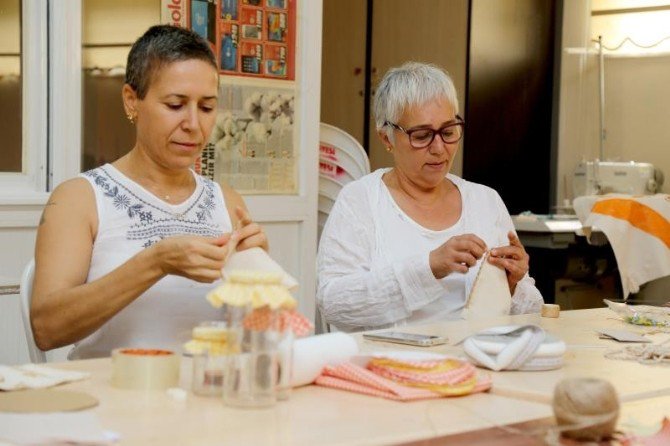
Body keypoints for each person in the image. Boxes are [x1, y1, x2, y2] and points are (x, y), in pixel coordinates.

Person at [31, 25, 267, 359]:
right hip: (112, 399)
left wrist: (259, 274)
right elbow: (47, 328)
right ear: (132, 101)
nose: (193, 125)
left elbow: (259, 334)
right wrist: (155, 262)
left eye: (206, 107)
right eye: (175, 105)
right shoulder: (79, 198)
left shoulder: (226, 201)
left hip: (207, 396)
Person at [317, 62, 543, 332]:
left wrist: (514, 284)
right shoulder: (361, 201)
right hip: (391, 366)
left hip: (479, 361)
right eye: (422, 136)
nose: (439, 149)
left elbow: (531, 312)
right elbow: (334, 305)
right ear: (387, 138)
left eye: (448, 132)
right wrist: (429, 267)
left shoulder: (485, 201)